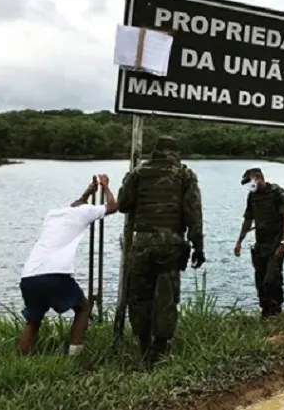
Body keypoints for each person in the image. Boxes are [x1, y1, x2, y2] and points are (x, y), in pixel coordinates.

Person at [117, 135, 205, 365]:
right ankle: (159, 348)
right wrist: (198, 246)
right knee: (166, 297)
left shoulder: (138, 173)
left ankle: (143, 345)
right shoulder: (185, 174)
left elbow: (124, 204)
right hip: (171, 242)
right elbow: (193, 213)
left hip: (142, 242)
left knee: (139, 296)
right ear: (175, 152)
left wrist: (129, 177)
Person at [18, 174, 118, 356]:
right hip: (54, 274)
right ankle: (74, 356)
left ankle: (22, 360)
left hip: (29, 276)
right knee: (83, 308)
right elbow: (112, 206)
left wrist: (88, 192)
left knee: (33, 320)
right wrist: (105, 187)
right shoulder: (84, 212)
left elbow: (76, 204)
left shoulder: (53, 215)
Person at [233, 167, 284, 317]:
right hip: (260, 245)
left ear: (258, 177)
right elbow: (248, 219)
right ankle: (265, 312)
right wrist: (239, 241)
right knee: (260, 280)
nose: (250, 186)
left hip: (276, 243)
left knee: (272, 279)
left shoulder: (277, 193)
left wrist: (283, 243)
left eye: (251, 181)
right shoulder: (252, 196)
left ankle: (276, 310)